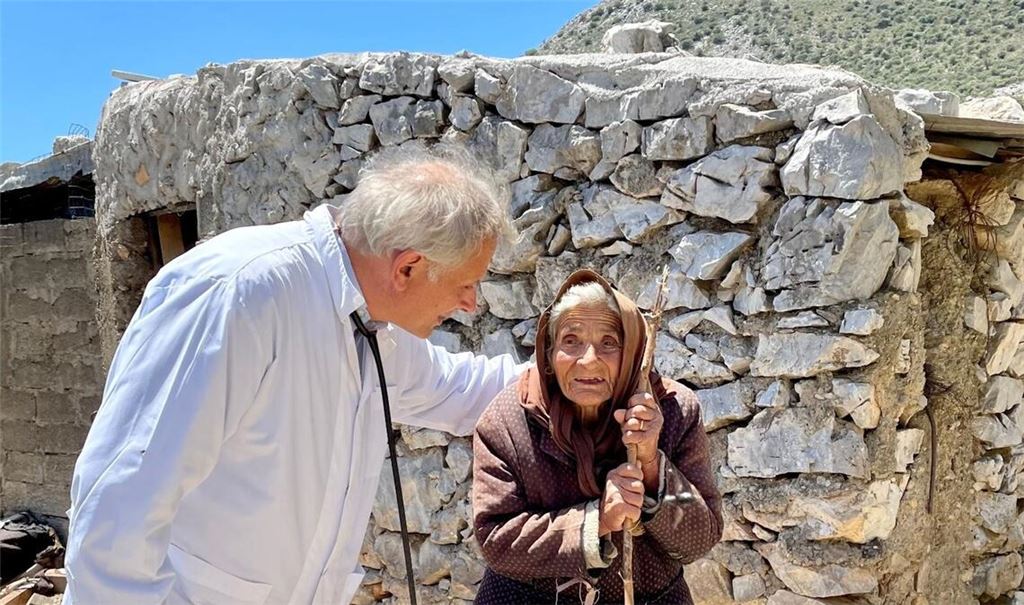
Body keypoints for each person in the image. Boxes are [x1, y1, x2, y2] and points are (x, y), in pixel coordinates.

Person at [65, 145, 525, 605]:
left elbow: (460, 388)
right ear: (407, 267)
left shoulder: (373, 320)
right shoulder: (239, 292)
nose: (471, 303)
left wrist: (579, 374)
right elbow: (121, 502)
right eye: (465, 283)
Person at [472, 270, 723, 604]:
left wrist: (650, 464)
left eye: (609, 343)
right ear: (548, 352)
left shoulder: (673, 411)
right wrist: (597, 519)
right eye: (571, 341)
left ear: (632, 351)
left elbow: (699, 540)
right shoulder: (507, 421)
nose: (588, 361)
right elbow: (497, 541)